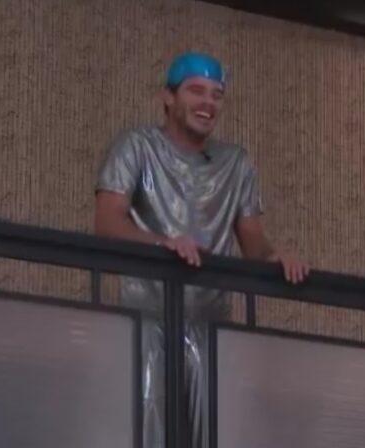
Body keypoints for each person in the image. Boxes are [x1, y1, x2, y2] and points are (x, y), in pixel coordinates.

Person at [95, 52, 309, 448]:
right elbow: (107, 223)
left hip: (211, 325)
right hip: (145, 317)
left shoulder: (235, 162)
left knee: (214, 434)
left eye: (217, 94)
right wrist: (164, 244)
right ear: (168, 97)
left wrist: (275, 257)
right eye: (196, 91)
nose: (208, 102)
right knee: (145, 430)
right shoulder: (137, 146)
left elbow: (254, 242)